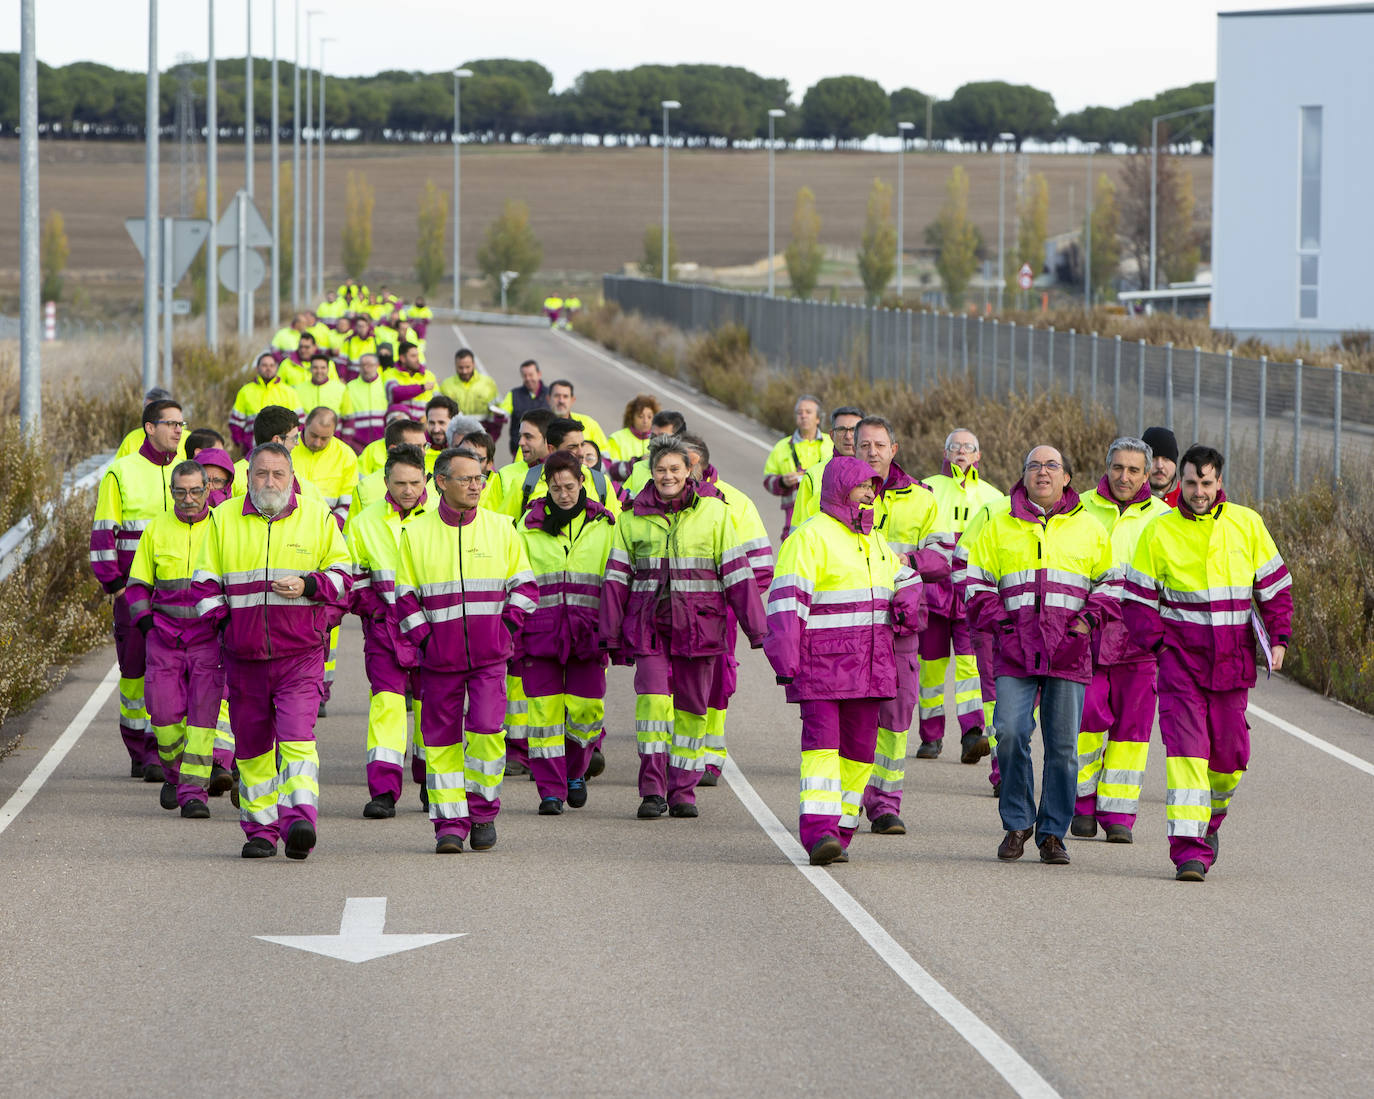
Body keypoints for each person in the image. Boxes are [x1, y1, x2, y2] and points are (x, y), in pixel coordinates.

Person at [1124, 445, 1292, 882]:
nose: (1199, 492)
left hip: (1233, 665)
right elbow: (1137, 601)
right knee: (1187, 756)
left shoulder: (1247, 524)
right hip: (1180, 666)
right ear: (1182, 481)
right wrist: (1160, 647)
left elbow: (1275, 588)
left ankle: (1210, 824)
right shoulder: (1158, 532)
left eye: (1207, 483)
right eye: (1192, 483)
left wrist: (1280, 639)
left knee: (1231, 759)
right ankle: (1189, 853)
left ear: (1219, 482)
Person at [191, 442, 352, 860]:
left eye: (278, 474)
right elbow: (204, 585)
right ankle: (261, 830)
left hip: (300, 655)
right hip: (244, 659)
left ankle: (300, 818)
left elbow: (344, 578)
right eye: (261, 473)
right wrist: (226, 627)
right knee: (254, 748)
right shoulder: (222, 519)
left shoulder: (317, 517)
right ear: (248, 477)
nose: (269, 481)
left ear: (292, 477)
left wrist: (310, 586)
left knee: (298, 738)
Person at [963, 446, 1120, 867]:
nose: (1043, 472)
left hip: (1069, 652)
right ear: (1024, 475)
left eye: (1052, 466)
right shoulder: (998, 525)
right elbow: (975, 584)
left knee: (1064, 747)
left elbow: (1110, 584)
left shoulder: (1089, 528)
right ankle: (1017, 823)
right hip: (1015, 650)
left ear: (1068, 477)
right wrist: (1004, 625)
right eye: (1034, 466)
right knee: (1011, 733)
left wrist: (1086, 623)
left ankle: (1052, 833)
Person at [764, 456, 924, 865]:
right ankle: (819, 834)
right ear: (839, 487)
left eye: (874, 486)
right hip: (821, 669)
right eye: (862, 485)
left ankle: (842, 831)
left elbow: (903, 574)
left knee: (859, 756)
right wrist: (785, 661)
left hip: (870, 670)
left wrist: (908, 593)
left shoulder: (874, 539)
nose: (871, 491)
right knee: (821, 752)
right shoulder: (809, 537)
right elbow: (786, 600)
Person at [599, 436, 767, 820]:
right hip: (649, 628)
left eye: (675, 469)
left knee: (693, 712)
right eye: (661, 469)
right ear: (651, 472)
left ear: (690, 470)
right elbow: (616, 579)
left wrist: (757, 629)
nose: (668, 476)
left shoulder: (716, 513)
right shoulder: (630, 518)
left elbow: (738, 576)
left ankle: (683, 791)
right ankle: (652, 789)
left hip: (701, 629)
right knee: (653, 705)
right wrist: (609, 634)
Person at [394, 448, 538, 854]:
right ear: (441, 482)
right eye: (467, 479)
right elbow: (404, 598)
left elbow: (525, 589)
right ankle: (448, 826)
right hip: (439, 661)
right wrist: (428, 642)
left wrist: (503, 631)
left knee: (488, 735)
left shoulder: (502, 528)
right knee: (440, 744)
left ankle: (483, 814)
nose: (476, 485)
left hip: (490, 659)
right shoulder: (415, 534)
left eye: (480, 478)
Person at [1071, 437, 1172, 844]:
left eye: (1134, 470)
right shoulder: (1076, 506)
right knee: (1087, 721)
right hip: (1087, 637)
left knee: (1133, 730)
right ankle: (1081, 805)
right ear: (1106, 466)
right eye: (1118, 467)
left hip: (1139, 641)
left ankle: (1118, 815)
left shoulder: (1165, 518)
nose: (1124, 476)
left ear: (1148, 475)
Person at [853, 415, 943, 834]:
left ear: (894, 449)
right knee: (853, 714)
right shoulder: (839, 494)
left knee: (895, 715)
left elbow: (944, 557)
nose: (872, 451)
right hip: (849, 622)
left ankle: (885, 804)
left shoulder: (922, 500)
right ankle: (849, 797)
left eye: (879, 445)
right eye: (864, 445)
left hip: (901, 625)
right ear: (852, 450)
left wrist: (907, 561)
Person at [515, 450, 618, 814]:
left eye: (570, 486)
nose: (563, 493)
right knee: (543, 717)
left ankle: (575, 771)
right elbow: (515, 580)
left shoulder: (606, 527)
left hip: (588, 635)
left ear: (582, 483)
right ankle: (551, 791)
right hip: (539, 634)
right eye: (556, 487)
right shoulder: (527, 528)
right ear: (547, 486)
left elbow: (617, 581)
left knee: (587, 712)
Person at [124, 460, 226, 818]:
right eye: (180, 492)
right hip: (163, 639)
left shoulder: (221, 527)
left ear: (207, 490)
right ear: (171, 493)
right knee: (164, 719)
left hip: (207, 641)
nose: (188, 498)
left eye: (196, 491)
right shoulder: (155, 530)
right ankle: (175, 774)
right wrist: (148, 626)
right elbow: (136, 587)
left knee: (201, 720)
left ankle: (193, 794)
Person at [90, 398, 185, 780]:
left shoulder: (186, 471)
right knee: (134, 674)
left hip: (177, 593)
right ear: (149, 427)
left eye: (182, 423)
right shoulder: (121, 472)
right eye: (171, 423)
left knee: (170, 673)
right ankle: (139, 748)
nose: (179, 430)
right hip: (133, 593)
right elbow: (103, 532)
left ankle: (163, 750)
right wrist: (114, 585)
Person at [347, 444, 433, 819]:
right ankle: (383, 791)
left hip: (433, 631)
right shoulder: (365, 522)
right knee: (387, 708)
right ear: (385, 482)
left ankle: (433, 781)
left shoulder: (443, 518)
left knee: (434, 708)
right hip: (385, 631)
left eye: (415, 482)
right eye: (400, 483)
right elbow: (355, 579)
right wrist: (375, 614)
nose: (408, 490)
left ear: (427, 480)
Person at [682, 434, 774, 786]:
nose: (682, 473)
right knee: (673, 685)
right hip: (669, 614)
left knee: (718, 682)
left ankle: (710, 758)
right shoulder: (658, 499)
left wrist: (731, 601)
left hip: (718, 616)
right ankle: (677, 758)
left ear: (702, 465)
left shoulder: (736, 502)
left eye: (689, 465)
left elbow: (761, 566)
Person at [917, 428, 1006, 768]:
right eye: (955, 446)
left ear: (978, 455)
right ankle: (930, 735)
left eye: (968, 446)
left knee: (971, 669)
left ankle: (972, 734)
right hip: (934, 596)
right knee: (931, 669)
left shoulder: (993, 497)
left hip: (971, 598)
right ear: (945, 450)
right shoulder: (927, 488)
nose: (961, 451)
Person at [763, 394, 833, 539]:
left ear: (818, 418)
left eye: (808, 412)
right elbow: (768, 480)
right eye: (799, 412)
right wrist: (782, 481)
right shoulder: (782, 447)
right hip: (793, 522)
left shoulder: (832, 444)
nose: (803, 416)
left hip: (826, 517)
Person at [793, 406, 865, 524]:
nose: (848, 436)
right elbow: (798, 527)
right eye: (841, 429)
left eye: (854, 430)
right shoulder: (813, 475)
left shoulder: (875, 475)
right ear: (831, 435)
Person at [480, 408, 555, 517]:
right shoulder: (505, 474)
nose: (520, 442)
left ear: (548, 439)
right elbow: (490, 520)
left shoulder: (572, 472)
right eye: (521, 436)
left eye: (528, 437)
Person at [292, 407, 358, 530]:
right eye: (313, 435)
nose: (317, 443)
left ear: (334, 432)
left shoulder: (346, 456)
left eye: (324, 438)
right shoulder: (286, 448)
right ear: (305, 424)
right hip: (288, 526)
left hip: (327, 530)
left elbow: (349, 504)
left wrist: (328, 527)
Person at [351, 419, 430, 517]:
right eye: (416, 447)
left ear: (424, 480)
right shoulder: (364, 487)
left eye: (425, 446)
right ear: (393, 449)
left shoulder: (435, 481)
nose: (424, 452)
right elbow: (353, 529)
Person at [229, 353, 302, 454]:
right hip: (252, 447)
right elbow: (236, 422)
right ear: (257, 368)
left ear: (276, 368)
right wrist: (241, 442)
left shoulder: (288, 391)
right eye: (264, 365)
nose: (268, 368)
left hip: (282, 447)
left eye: (272, 365)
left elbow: (300, 421)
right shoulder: (245, 391)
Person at [620, 410, 687, 498]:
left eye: (663, 437)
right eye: (653, 437)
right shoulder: (639, 467)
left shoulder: (692, 470)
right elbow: (621, 500)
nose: (656, 442)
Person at [492, 360, 550, 457]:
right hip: (520, 451)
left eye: (531, 375)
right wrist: (499, 415)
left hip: (546, 450)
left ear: (539, 374)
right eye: (524, 375)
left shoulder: (551, 394)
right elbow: (503, 412)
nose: (528, 378)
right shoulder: (514, 394)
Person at [115, 387, 187, 460]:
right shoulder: (131, 439)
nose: (148, 413)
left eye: (153, 410)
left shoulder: (189, 439)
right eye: (146, 409)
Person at [339, 352, 389, 453]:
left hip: (382, 442)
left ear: (377, 366)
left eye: (370, 365)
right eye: (362, 365)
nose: (366, 368)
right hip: (357, 443)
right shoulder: (350, 387)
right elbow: (346, 416)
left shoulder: (385, 385)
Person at [605, 394, 659, 483]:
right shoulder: (616, 438)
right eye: (640, 416)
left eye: (649, 417)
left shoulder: (659, 439)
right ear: (631, 417)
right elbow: (611, 470)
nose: (645, 421)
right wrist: (638, 462)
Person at [548, 378, 609, 451]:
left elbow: (605, 456)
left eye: (565, 396)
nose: (561, 401)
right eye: (557, 396)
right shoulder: (539, 425)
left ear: (572, 400)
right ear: (548, 399)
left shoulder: (590, 423)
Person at [385, 341, 439, 422]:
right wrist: (422, 387)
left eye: (418, 355)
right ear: (402, 358)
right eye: (413, 356)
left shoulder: (429, 375)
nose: (418, 359)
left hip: (424, 425)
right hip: (402, 425)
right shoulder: (390, 373)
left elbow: (438, 400)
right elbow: (395, 393)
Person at [438, 347, 499, 417]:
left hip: (483, 427)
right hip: (456, 427)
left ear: (473, 364)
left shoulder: (488, 383)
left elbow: (497, 407)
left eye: (467, 367)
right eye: (460, 367)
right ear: (455, 365)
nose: (464, 371)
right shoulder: (446, 385)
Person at [1142, 426, 1182, 507]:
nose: (1159, 466)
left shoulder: (1187, 499)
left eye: (1166, 459)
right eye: (1153, 458)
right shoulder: (1130, 498)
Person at [424, 395, 460, 472]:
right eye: (431, 423)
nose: (436, 429)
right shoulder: (417, 452)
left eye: (441, 423)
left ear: (455, 422)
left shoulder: (471, 452)